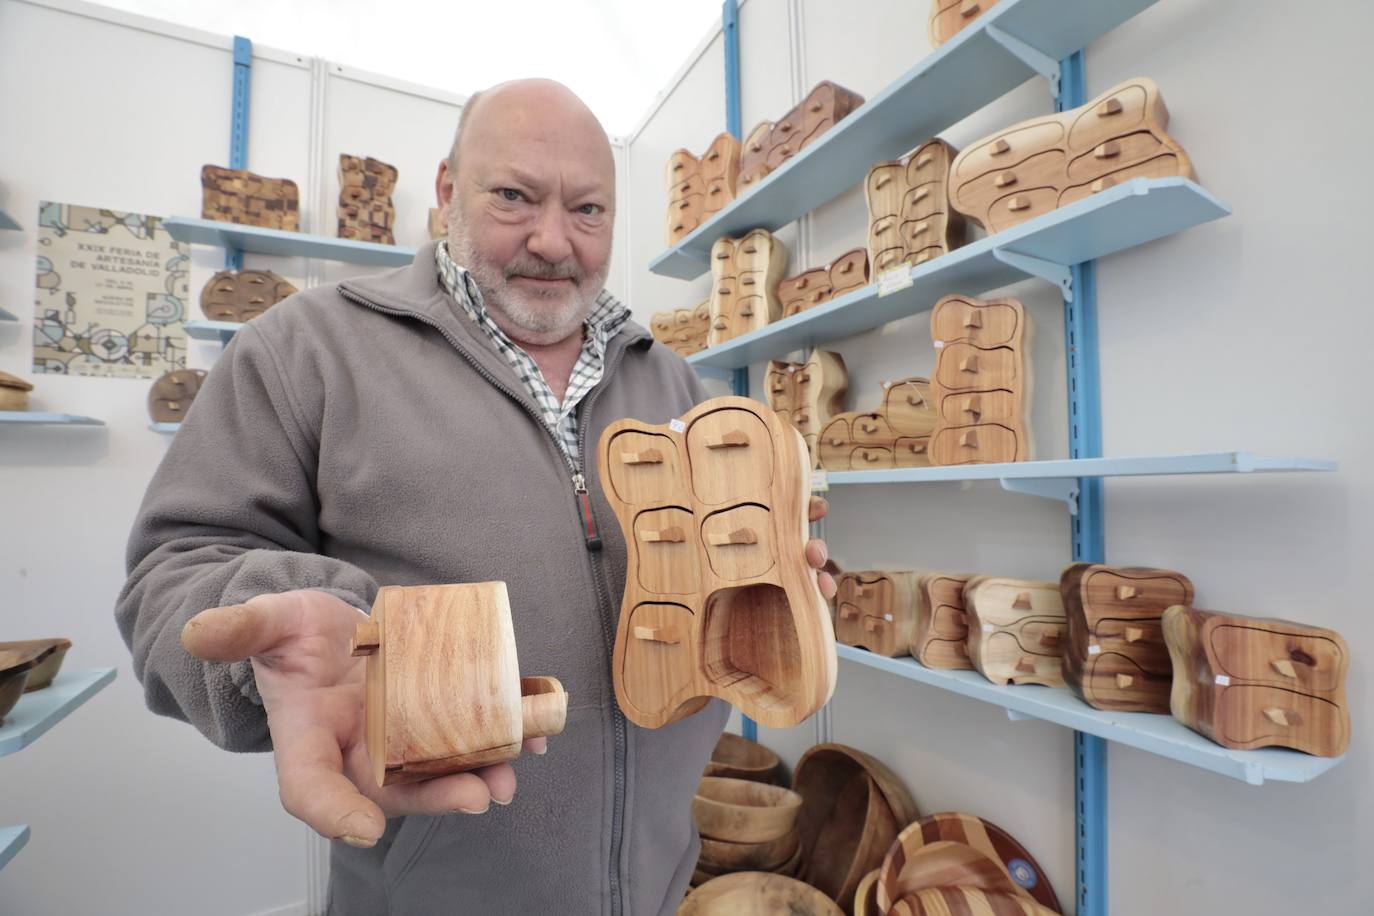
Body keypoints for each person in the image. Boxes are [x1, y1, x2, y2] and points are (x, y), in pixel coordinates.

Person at [116, 78, 836, 914]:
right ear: (449, 191)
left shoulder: (671, 378)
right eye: (514, 197)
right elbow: (171, 575)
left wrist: (775, 589)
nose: (553, 240)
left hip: (654, 886)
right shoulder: (306, 351)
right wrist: (270, 640)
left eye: (589, 210)